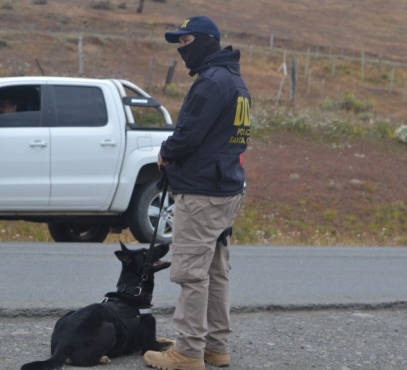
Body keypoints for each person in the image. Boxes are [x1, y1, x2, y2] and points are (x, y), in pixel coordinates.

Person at [143, 15, 251, 370]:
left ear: (206, 40)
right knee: (216, 271)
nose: (181, 49)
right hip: (226, 188)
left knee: (191, 272)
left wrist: (165, 153)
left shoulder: (210, 83)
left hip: (202, 192)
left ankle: (188, 352)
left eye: (185, 42)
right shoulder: (235, 81)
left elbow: (188, 134)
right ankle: (215, 347)